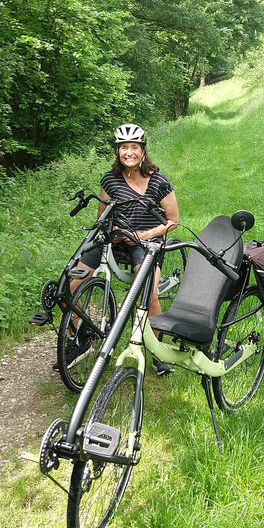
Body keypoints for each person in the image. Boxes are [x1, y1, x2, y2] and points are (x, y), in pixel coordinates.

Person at [67, 123, 180, 373]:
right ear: (117, 151)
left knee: (147, 294)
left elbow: (173, 221)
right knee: (69, 286)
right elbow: (102, 217)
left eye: (134, 147)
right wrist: (111, 232)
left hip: (145, 242)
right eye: (123, 148)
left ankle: (158, 351)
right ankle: (79, 337)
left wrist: (146, 234)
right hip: (114, 240)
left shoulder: (159, 181)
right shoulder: (110, 180)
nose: (129, 152)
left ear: (143, 150)